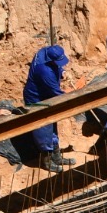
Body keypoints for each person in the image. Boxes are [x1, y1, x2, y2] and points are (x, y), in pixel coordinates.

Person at [22, 43, 75, 171]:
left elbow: (55, 67)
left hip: (46, 96)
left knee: (52, 124)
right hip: (36, 99)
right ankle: (47, 161)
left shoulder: (44, 52)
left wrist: (62, 71)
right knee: (43, 128)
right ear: (51, 60)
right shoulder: (44, 71)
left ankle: (56, 157)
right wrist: (73, 96)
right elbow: (57, 94)